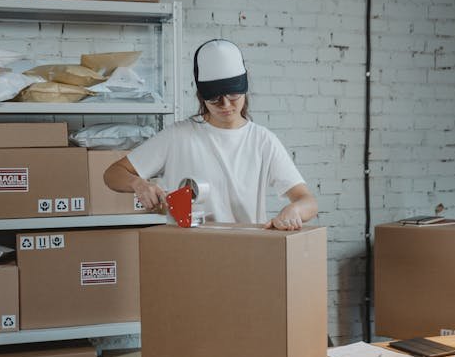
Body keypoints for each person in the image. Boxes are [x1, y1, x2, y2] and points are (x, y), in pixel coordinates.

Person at [103, 38, 317, 230]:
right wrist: (138, 184)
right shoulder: (178, 136)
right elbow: (112, 174)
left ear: (244, 87)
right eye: (214, 98)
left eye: (233, 94)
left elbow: (307, 201)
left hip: (247, 252)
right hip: (188, 254)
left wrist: (294, 211)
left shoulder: (262, 141)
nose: (225, 105)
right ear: (201, 96)